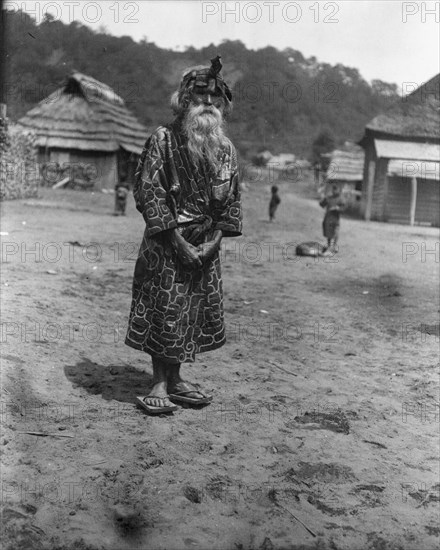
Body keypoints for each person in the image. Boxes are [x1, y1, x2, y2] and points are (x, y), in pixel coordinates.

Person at [125, 56, 242, 414]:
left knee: (191, 310)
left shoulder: (226, 149)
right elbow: (150, 194)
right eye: (199, 96)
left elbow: (232, 202)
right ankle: (159, 382)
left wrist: (211, 244)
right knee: (165, 308)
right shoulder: (162, 139)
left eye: (214, 98)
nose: (208, 103)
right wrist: (178, 242)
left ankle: (176, 380)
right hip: (166, 243)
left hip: (206, 243)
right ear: (184, 100)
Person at [319, 184, 345, 253]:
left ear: (339, 190)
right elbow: (322, 204)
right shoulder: (329, 198)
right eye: (333, 189)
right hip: (328, 217)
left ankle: (335, 246)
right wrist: (323, 199)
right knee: (328, 232)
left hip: (335, 218)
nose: (334, 191)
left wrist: (338, 208)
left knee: (336, 232)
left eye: (336, 189)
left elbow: (344, 208)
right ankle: (329, 245)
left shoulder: (341, 199)